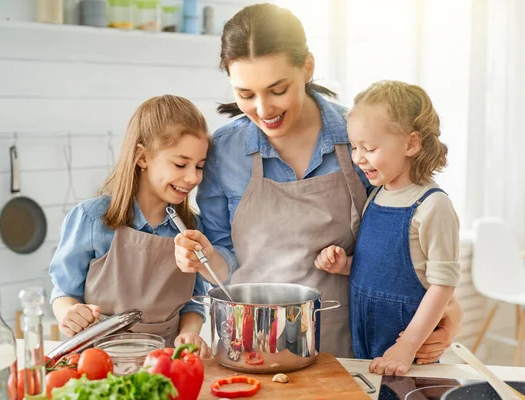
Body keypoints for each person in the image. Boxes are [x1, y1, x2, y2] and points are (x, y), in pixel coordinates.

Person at [174, 3, 462, 360]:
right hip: (253, 349)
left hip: (354, 348)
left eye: (277, 89)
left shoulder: (361, 138)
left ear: (307, 67)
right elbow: (223, 264)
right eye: (246, 95)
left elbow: (413, 236)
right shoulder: (223, 153)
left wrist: (450, 308)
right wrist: (200, 258)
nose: (263, 110)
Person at [314, 80, 461, 375]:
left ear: (411, 143)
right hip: (364, 345)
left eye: (368, 148)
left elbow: (443, 285)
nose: (358, 158)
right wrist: (347, 266)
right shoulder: (377, 195)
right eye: (354, 147)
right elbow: (385, 265)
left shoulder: (433, 206)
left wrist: (407, 345)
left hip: (408, 354)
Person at [49, 95, 211, 357]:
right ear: (142, 157)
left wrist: (189, 332)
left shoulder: (191, 228)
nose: (192, 177)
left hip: (163, 365)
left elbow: (194, 303)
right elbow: (64, 293)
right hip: (95, 362)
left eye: (199, 166)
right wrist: (68, 312)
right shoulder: (91, 218)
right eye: (180, 164)